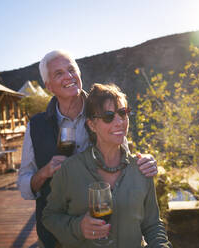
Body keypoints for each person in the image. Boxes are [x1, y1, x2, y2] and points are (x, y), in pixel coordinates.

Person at [17, 51, 159, 248]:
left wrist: (145, 161)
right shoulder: (36, 126)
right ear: (48, 86)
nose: (68, 76)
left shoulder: (102, 109)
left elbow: (123, 156)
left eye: (71, 69)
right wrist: (44, 172)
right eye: (58, 74)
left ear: (79, 73)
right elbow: (24, 184)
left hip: (107, 227)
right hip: (57, 236)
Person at [42, 83, 172, 248]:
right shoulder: (70, 170)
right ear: (92, 125)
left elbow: (152, 224)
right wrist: (79, 227)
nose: (119, 122)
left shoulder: (141, 168)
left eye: (123, 113)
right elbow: (49, 216)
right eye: (108, 116)